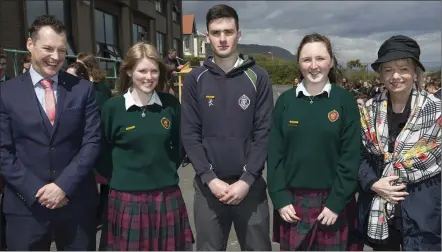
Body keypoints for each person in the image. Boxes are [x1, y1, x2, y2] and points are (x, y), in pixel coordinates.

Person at [0, 15, 100, 250]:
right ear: (30, 45)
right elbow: (3, 151)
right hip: (25, 209)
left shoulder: (82, 89)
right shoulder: (5, 93)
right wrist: (37, 192)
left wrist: (63, 186)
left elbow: (92, 142)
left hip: (75, 204)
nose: (55, 57)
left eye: (62, 50)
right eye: (47, 48)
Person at [181, 4, 273, 251]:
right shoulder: (194, 79)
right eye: (216, 32)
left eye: (228, 31)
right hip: (209, 189)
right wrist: (210, 179)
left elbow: (263, 133)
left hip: (249, 188)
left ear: (239, 34)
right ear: (208, 36)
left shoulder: (259, 77)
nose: (222, 39)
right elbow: (190, 134)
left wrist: (246, 180)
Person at [267, 33, 362, 251]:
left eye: (320, 58)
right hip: (292, 204)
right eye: (306, 59)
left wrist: (336, 202)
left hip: (334, 203)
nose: (313, 66)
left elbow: (350, 157)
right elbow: (274, 156)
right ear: (299, 64)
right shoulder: (285, 102)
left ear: (331, 62)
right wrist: (280, 198)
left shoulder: (345, 101)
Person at [97, 42, 193, 251]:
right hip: (126, 198)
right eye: (142, 70)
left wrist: (161, 171)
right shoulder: (112, 108)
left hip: (166, 196)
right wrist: (124, 178)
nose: (148, 77)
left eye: (153, 71)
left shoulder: (171, 105)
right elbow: (101, 152)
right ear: (130, 71)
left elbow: (179, 147)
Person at [357, 35, 441, 251]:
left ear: (415, 72)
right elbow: (356, 155)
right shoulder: (368, 111)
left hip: (425, 214)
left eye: (403, 68)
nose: (396, 76)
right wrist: (373, 183)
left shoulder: (436, 112)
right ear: (381, 75)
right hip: (381, 214)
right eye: (388, 70)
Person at [76, 52, 112, 228]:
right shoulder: (100, 84)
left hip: (96, 136)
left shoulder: (96, 86)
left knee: (99, 177)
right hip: (99, 136)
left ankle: (101, 215)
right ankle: (102, 214)